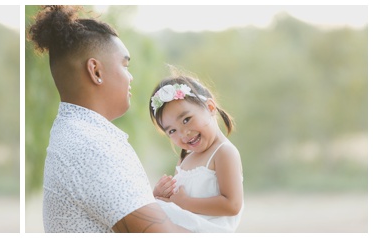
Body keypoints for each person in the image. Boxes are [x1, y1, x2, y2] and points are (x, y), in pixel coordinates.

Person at [27, 5, 187, 233]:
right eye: (125, 65)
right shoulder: (92, 145)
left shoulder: (74, 133)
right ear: (96, 71)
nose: (130, 76)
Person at [149, 69, 244, 232]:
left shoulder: (223, 152)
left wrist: (184, 203)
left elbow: (232, 205)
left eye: (186, 120)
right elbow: (177, 201)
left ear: (210, 107)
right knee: (146, 207)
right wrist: (161, 196)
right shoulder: (185, 158)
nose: (184, 134)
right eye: (172, 131)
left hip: (208, 230)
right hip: (187, 226)